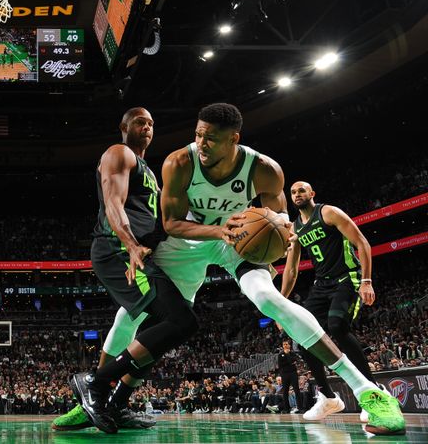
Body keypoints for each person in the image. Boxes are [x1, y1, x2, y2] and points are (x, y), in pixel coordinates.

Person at [143, 103, 403, 435]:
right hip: (189, 241)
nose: (202, 144)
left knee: (269, 298)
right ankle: (96, 394)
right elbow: (171, 223)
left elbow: (277, 219)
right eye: (198, 135)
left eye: (211, 138)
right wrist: (220, 229)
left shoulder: (265, 169)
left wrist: (276, 239)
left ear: (233, 139)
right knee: (136, 308)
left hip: (237, 240)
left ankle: (370, 392)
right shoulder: (179, 162)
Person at [67, 108, 200, 433]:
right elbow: (114, 201)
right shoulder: (119, 153)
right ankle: (94, 384)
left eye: (152, 123)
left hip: (138, 253)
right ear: (124, 126)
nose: (148, 127)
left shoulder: (150, 173)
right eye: (141, 121)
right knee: (182, 321)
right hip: (117, 249)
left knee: (159, 328)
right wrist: (129, 244)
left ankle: (117, 404)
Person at [282, 181, 378, 423]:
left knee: (337, 326)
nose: (297, 195)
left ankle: (373, 392)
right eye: (293, 192)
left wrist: (366, 280)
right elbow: (291, 270)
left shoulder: (328, 212)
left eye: (301, 190)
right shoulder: (295, 228)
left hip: (348, 278)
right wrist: (280, 305)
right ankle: (327, 397)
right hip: (322, 284)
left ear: (312, 193)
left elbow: (362, 243)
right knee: (302, 334)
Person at [277, 340, 302, 414]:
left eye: (286, 344)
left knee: (296, 390)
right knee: (285, 391)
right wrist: (290, 362)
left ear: (289, 345)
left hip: (293, 373)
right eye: (283, 344)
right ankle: (286, 409)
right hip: (284, 374)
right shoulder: (280, 354)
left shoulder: (292, 353)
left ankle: (300, 408)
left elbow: (294, 361)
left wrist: (287, 355)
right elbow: (280, 365)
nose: (285, 345)